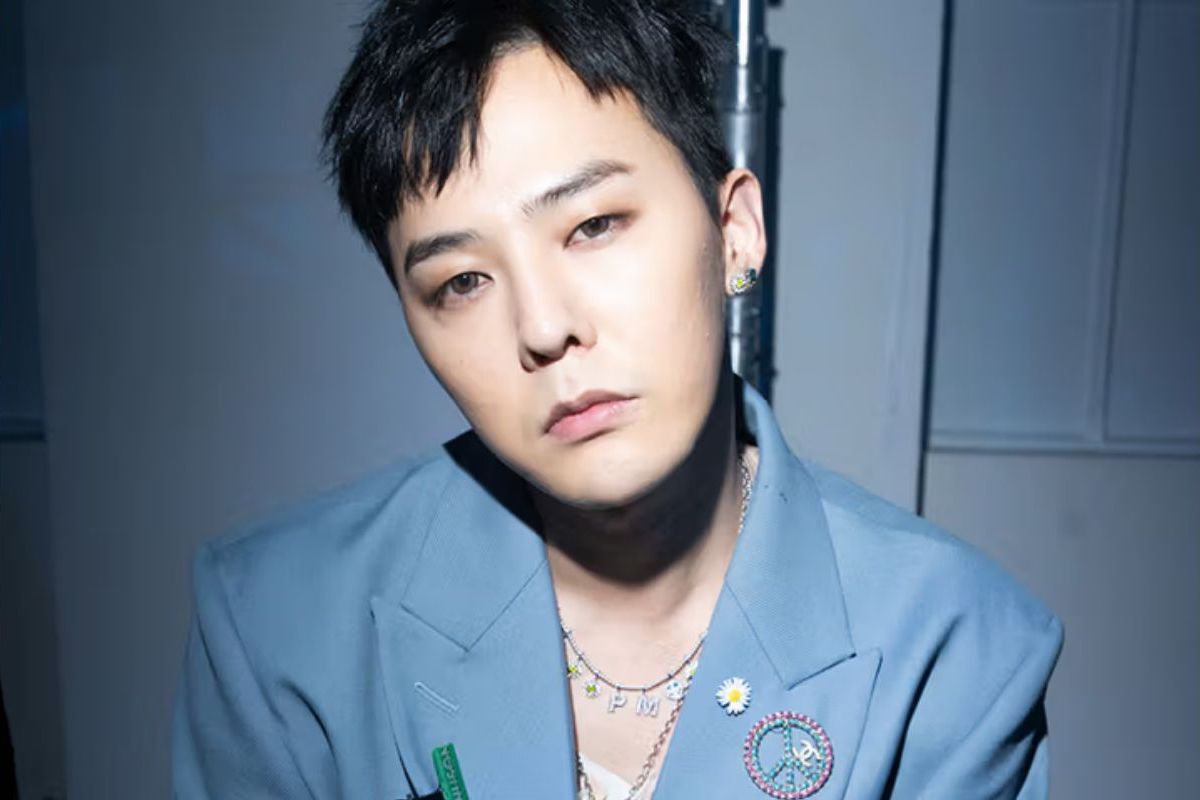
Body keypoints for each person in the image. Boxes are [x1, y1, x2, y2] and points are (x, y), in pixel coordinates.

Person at [171, 1, 1064, 798]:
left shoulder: (953, 647)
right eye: (463, 281)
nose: (543, 328)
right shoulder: (278, 627)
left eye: (594, 226)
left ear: (734, 231)